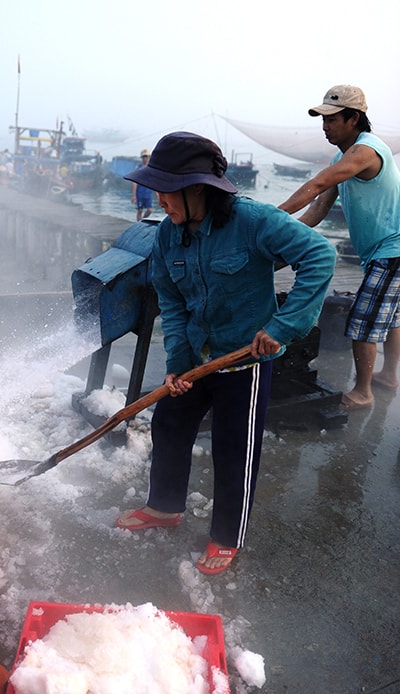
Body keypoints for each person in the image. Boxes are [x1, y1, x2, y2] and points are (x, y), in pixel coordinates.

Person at [117, 131, 336, 574]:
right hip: (197, 358)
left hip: (244, 360)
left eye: (165, 189)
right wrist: (178, 363)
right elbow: (171, 299)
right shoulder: (167, 235)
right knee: (169, 424)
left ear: (196, 188)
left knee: (235, 448)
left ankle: (226, 536)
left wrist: (283, 326)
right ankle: (163, 507)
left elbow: (320, 256)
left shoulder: (254, 221)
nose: (159, 199)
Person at [279, 85, 400, 410]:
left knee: (363, 320)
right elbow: (318, 210)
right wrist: (279, 233)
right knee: (390, 317)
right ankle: (389, 375)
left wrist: (270, 216)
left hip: (393, 248)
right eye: (323, 119)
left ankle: (363, 392)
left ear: (354, 118)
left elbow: (318, 182)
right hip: (382, 249)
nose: (325, 126)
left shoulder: (366, 151)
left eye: (332, 119)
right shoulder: (342, 156)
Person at [131, 150, 154, 220]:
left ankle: (143, 220)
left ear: (149, 157)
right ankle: (138, 223)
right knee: (140, 210)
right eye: (143, 157)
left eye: (146, 156)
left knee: (150, 210)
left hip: (148, 193)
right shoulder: (138, 168)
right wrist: (134, 195)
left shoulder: (151, 168)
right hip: (140, 193)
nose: (145, 158)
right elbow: (135, 182)